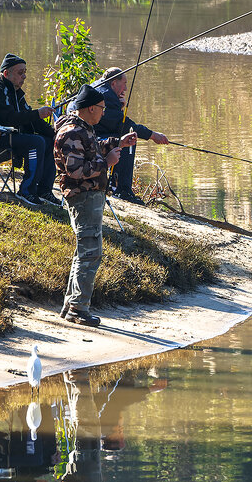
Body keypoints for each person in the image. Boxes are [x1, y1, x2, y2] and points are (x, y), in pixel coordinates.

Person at [54, 84, 137, 327]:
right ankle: (78, 310)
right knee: (90, 252)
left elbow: (91, 150)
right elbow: (76, 170)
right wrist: (106, 163)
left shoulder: (82, 129)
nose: (104, 112)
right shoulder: (69, 133)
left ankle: (71, 305)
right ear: (90, 108)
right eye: (101, 108)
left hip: (91, 196)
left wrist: (117, 143)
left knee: (85, 251)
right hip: (83, 197)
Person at [0, 53, 60, 207]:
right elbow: (8, 118)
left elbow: (31, 121)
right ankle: (27, 191)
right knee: (36, 143)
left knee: (50, 141)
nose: (24, 76)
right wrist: (38, 113)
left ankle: (44, 190)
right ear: (6, 73)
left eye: (25, 72)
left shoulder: (16, 93)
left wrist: (56, 133)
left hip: (11, 136)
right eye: (20, 72)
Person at [92, 67, 168, 204]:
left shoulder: (98, 86)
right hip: (90, 138)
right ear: (114, 83)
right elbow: (126, 125)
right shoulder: (107, 96)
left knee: (124, 136)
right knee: (129, 137)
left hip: (91, 133)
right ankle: (123, 190)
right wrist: (153, 135)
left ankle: (113, 185)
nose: (126, 89)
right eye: (124, 83)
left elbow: (111, 122)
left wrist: (120, 108)